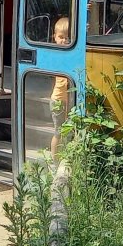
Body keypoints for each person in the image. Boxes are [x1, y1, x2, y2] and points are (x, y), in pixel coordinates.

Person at [49, 16, 72, 151]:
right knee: (59, 132)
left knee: (69, 132)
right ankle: (54, 162)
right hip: (58, 101)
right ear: (55, 37)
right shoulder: (56, 54)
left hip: (69, 100)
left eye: (67, 37)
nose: (64, 40)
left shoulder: (69, 53)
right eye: (61, 37)